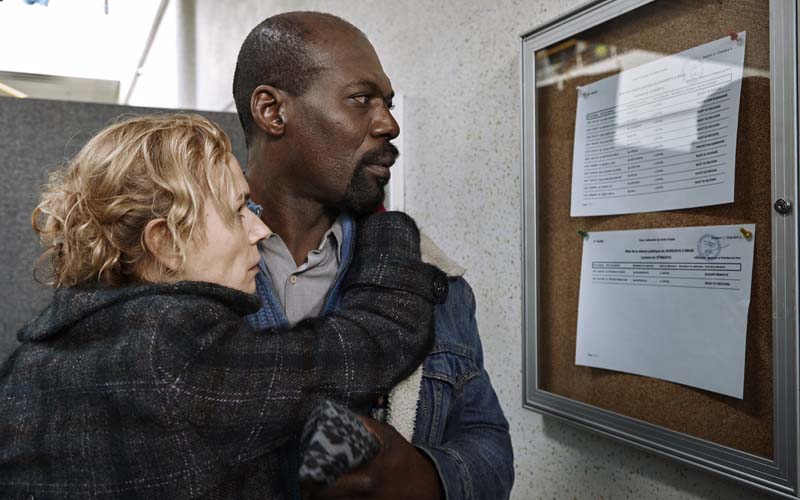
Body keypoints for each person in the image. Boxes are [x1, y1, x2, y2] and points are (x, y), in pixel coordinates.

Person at [0, 113, 447, 499]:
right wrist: (385, 226)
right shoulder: (175, 351)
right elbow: (376, 339)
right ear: (165, 242)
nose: (259, 230)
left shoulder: (25, 366)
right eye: (237, 211)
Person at [233, 12, 514, 500]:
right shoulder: (162, 268)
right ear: (272, 112)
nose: (390, 124)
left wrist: (424, 475)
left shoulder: (433, 283)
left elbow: (489, 446)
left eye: (388, 102)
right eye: (362, 99)